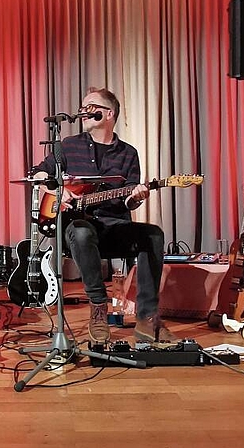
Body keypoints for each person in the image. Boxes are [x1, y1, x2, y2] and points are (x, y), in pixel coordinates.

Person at [32, 87, 176, 345]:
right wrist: (57, 190)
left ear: (108, 114)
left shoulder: (128, 153)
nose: (83, 112)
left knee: (152, 234)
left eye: (90, 106)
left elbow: (127, 200)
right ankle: (99, 306)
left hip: (113, 228)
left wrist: (137, 196)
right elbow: (39, 174)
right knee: (81, 230)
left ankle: (147, 318)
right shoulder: (68, 146)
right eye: (82, 107)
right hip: (76, 232)